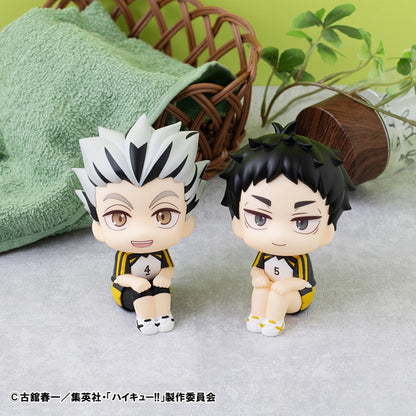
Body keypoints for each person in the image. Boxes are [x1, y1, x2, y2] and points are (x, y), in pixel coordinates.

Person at [74, 115, 208, 335]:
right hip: (127, 292)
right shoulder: (125, 256)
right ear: (98, 226)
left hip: (157, 287)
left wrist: (165, 276)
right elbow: (120, 277)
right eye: (119, 218)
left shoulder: (161, 251)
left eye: (163, 216)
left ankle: (163, 315)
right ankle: (145, 320)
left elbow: (168, 268)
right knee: (142, 294)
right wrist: (135, 283)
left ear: (187, 222)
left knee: (162, 292)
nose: (142, 231)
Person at [220, 123, 354, 336]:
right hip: (272, 288)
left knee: (277, 295)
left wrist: (286, 285)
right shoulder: (264, 254)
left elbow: (304, 281)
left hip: (298, 296)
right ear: (238, 221)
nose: (279, 235)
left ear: (327, 230)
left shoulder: (298, 259)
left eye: (302, 222)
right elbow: (257, 269)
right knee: (261, 289)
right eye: (260, 218)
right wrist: (258, 277)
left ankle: (274, 322)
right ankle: (256, 316)